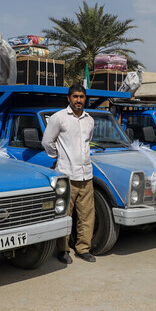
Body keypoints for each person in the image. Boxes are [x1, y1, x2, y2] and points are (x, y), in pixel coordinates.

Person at [42, 84, 96, 263]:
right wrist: (58, 158)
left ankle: (83, 248)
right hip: (66, 175)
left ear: (85, 98)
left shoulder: (90, 120)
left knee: (87, 215)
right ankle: (63, 250)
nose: (78, 100)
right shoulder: (59, 118)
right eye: (75, 97)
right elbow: (47, 141)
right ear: (69, 98)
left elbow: (88, 142)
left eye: (81, 97)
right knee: (64, 215)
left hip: (86, 175)